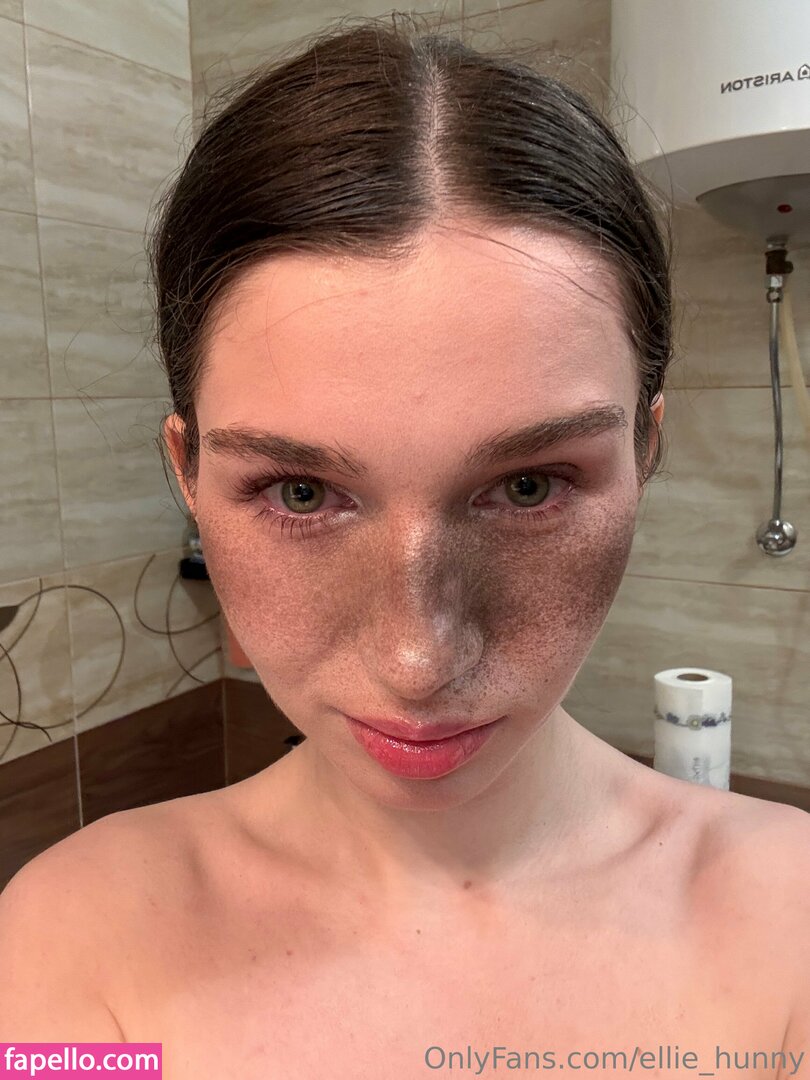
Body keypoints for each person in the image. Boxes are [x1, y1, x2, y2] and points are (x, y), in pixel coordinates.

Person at [1, 15, 808, 1077]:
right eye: (300, 493)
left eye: (528, 487)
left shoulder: (789, 933)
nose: (419, 662)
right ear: (188, 472)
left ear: (645, 450)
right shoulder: (75, 941)